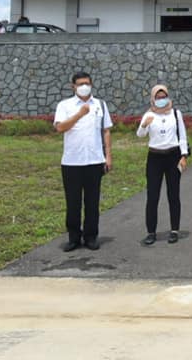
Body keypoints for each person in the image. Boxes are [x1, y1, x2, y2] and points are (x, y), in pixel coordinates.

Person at [53, 72, 112, 251]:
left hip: (94, 160)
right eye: (80, 84)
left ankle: (91, 236)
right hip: (72, 162)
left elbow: (106, 131)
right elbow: (60, 127)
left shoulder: (100, 104)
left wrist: (108, 155)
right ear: (73, 86)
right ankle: (73, 237)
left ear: (91, 84)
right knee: (73, 202)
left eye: (86, 83)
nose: (84, 86)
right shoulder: (65, 105)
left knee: (92, 202)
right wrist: (79, 114)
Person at [136, 85, 189, 245]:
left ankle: (174, 230)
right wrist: (144, 124)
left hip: (173, 156)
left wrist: (184, 155)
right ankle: (151, 232)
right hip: (155, 157)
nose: (161, 100)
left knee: (173, 194)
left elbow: (182, 135)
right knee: (153, 196)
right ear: (153, 99)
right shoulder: (149, 114)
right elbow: (140, 135)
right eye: (158, 97)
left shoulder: (175, 113)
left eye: (163, 96)